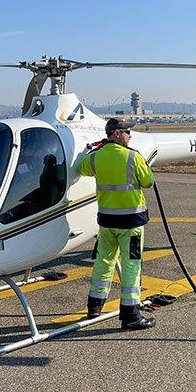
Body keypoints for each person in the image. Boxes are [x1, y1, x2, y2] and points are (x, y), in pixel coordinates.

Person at [78, 118, 156, 331]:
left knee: (103, 262)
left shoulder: (96, 157)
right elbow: (148, 181)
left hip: (106, 222)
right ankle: (130, 315)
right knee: (131, 266)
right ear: (117, 133)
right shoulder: (133, 156)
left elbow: (82, 168)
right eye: (127, 132)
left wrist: (95, 150)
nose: (130, 136)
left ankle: (94, 306)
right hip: (130, 223)